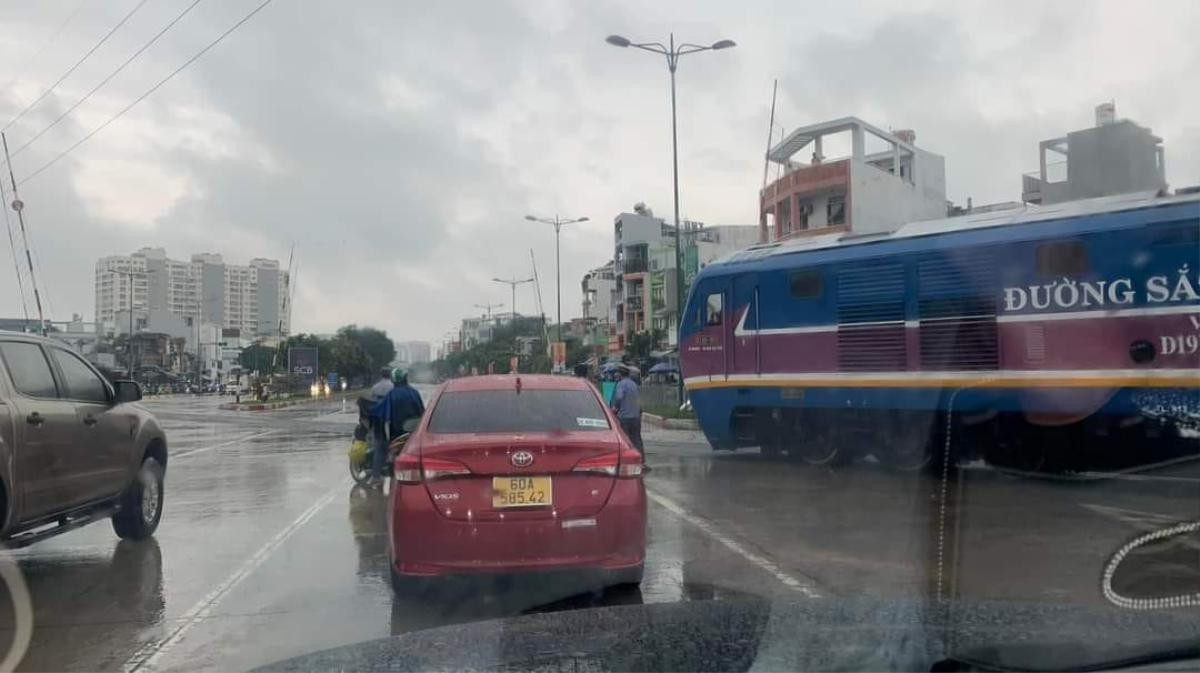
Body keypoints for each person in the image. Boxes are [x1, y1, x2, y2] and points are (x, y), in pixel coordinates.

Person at [370, 368, 425, 484]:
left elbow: (382, 413)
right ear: (406, 378)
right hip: (413, 433)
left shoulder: (391, 394)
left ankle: (376, 476)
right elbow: (423, 412)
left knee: (379, 445)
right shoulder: (414, 393)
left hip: (396, 432)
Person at [366, 368, 394, 485]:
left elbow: (371, 403)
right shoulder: (393, 387)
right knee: (392, 449)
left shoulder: (375, 387)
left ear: (381, 375)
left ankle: (376, 476)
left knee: (378, 449)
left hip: (377, 421)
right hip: (389, 420)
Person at [610, 364, 643, 453]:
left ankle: (628, 460)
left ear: (620, 374)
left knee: (625, 441)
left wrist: (615, 408)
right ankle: (641, 460)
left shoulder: (621, 384)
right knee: (637, 440)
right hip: (635, 417)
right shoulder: (634, 384)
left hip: (625, 417)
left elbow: (619, 397)